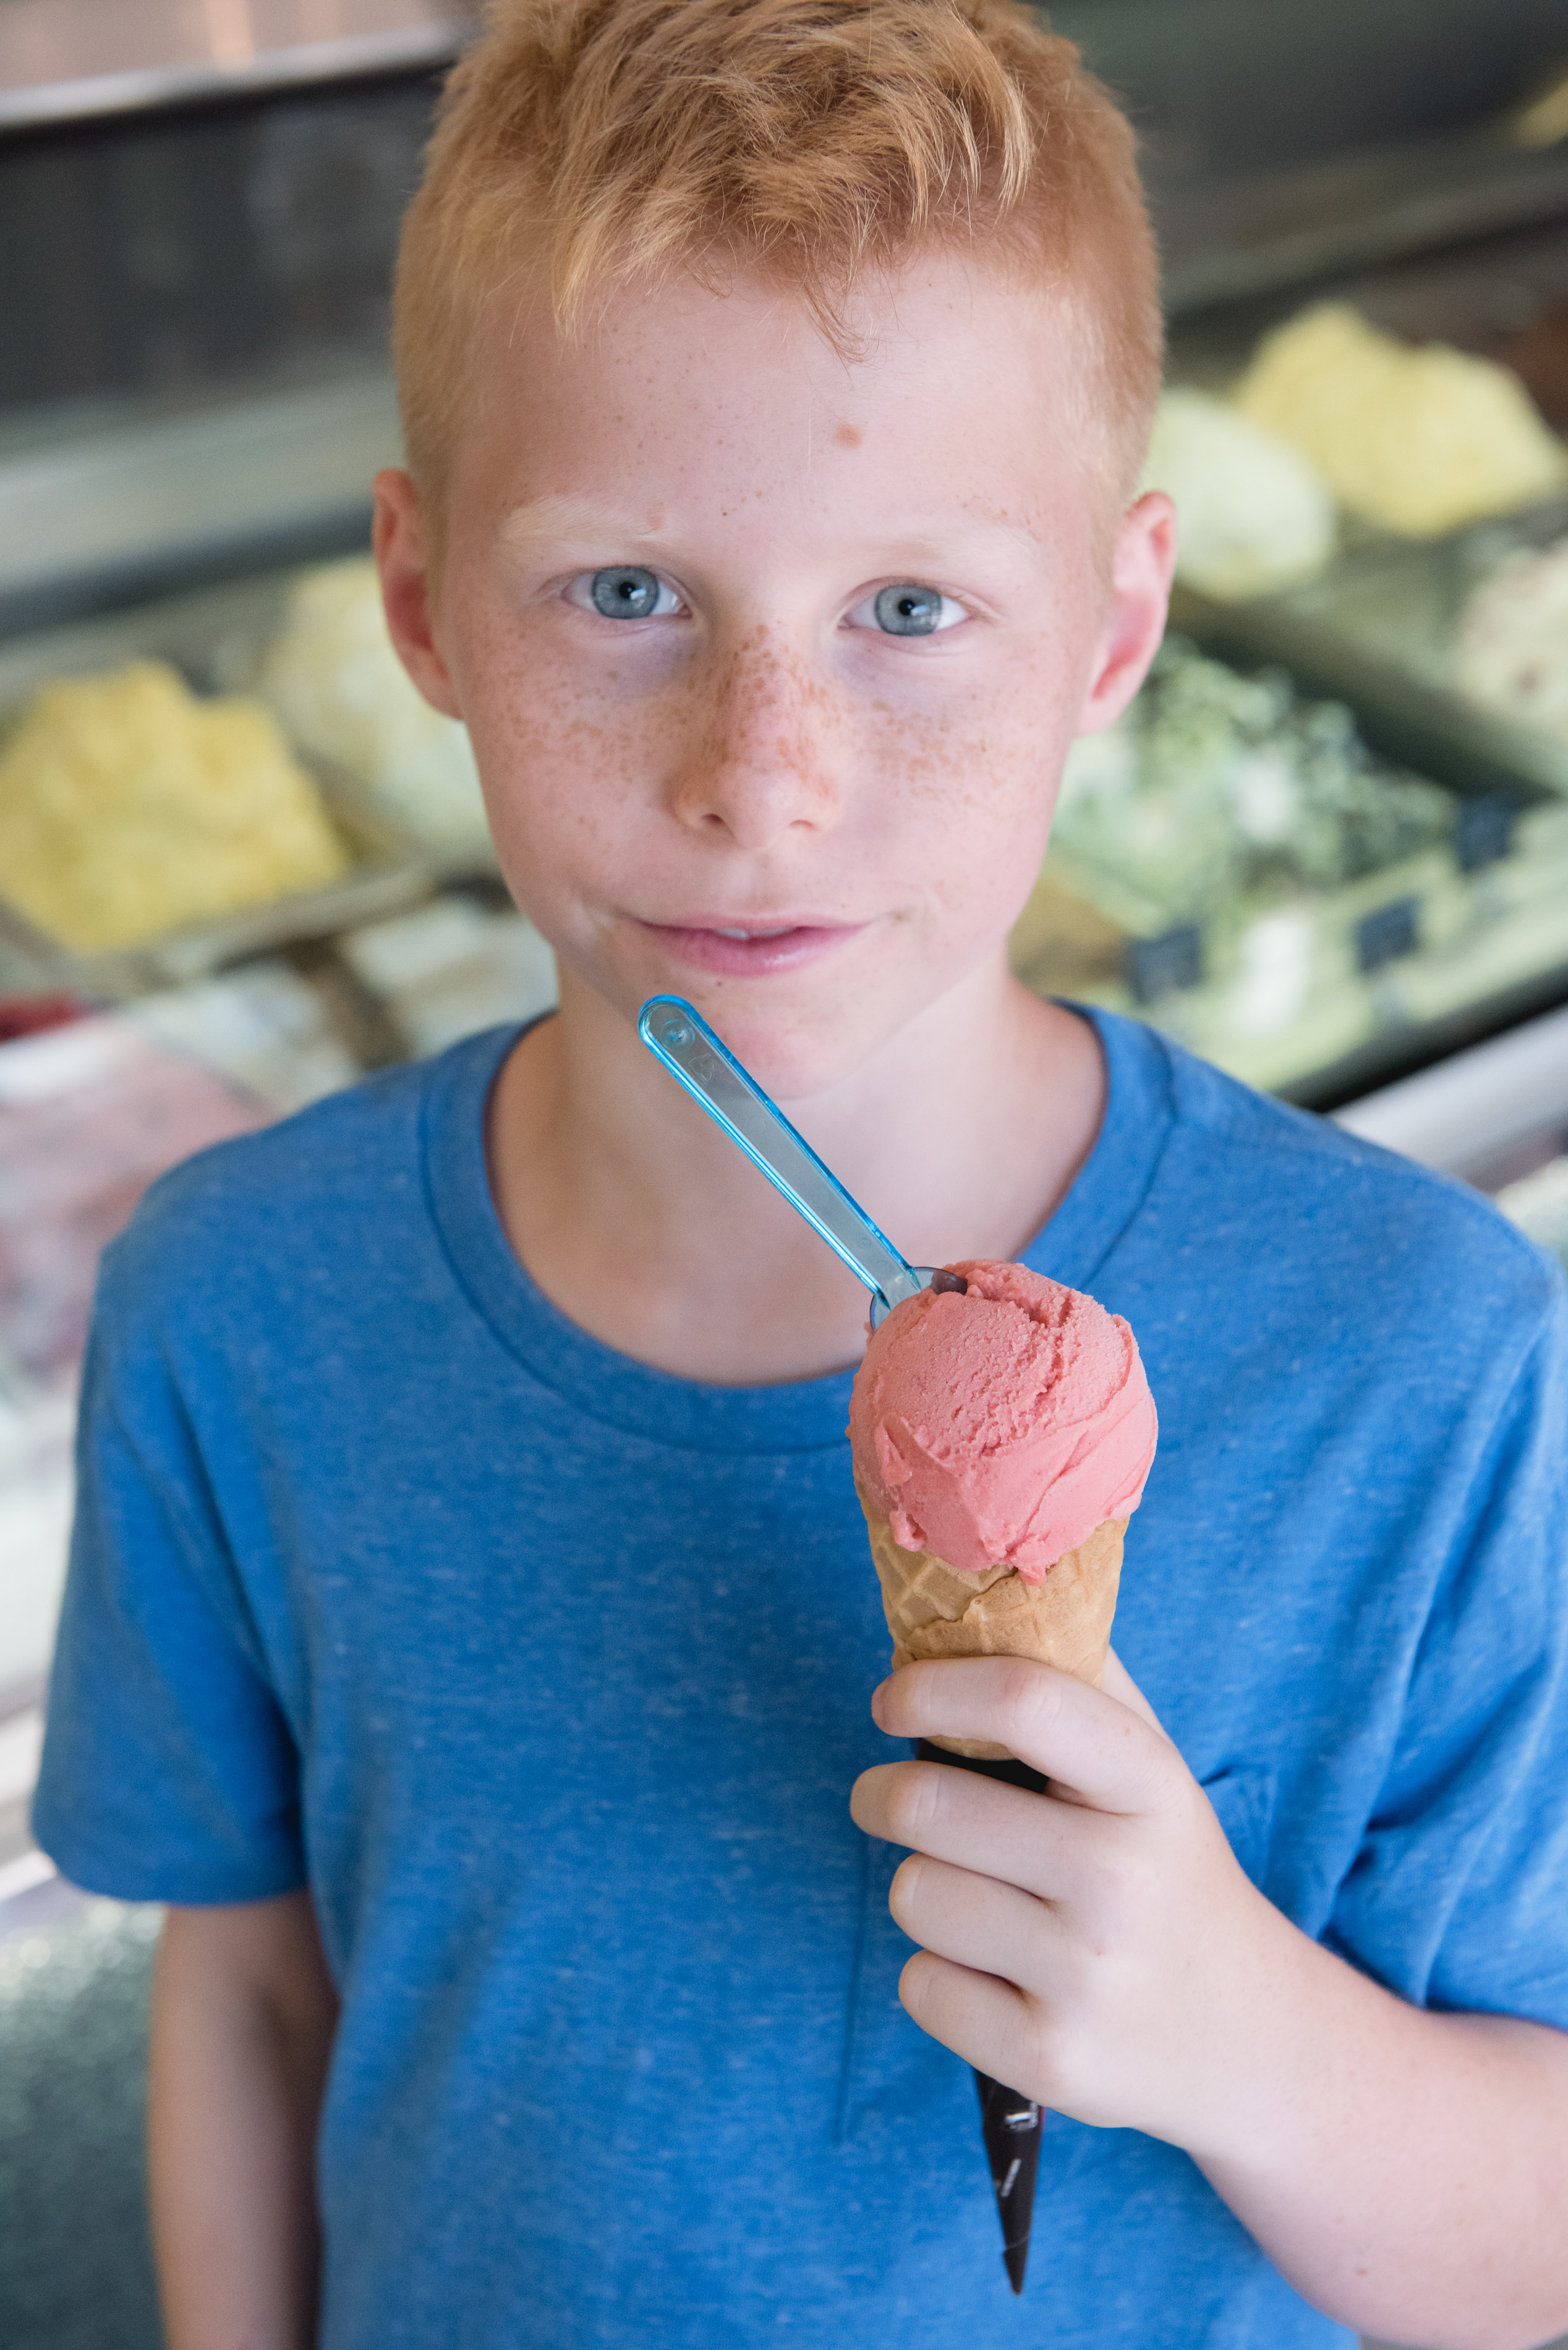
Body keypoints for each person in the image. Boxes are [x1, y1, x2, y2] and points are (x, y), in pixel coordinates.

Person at [33, 3, 1568, 2346]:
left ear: (1115, 627)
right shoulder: (239, 1307)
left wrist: (1245, 2034)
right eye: (626, 592)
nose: (766, 780)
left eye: (911, 609)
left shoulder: (1428, 1361)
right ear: (423, 604)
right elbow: (246, 1998)